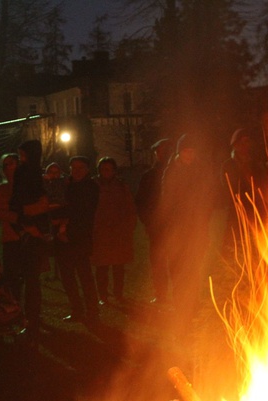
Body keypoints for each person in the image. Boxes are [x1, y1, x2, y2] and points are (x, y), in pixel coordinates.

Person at [159, 133, 218, 330]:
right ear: (180, 152)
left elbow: (207, 195)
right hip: (177, 231)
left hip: (196, 230)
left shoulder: (200, 171)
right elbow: (168, 200)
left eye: (192, 151)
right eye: (186, 151)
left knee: (193, 271)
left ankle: (191, 306)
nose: (189, 155)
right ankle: (180, 307)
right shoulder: (172, 172)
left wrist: (202, 217)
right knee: (177, 271)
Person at [10, 139, 51, 340]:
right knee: (29, 279)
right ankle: (29, 318)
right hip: (28, 229)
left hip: (32, 231)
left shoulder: (31, 173)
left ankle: (32, 319)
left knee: (31, 279)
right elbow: (18, 203)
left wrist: (33, 225)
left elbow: (39, 201)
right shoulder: (26, 172)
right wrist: (27, 224)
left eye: (23, 155)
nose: (21, 159)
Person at [54, 156, 100, 325]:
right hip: (65, 238)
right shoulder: (68, 186)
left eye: (80, 167)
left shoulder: (89, 187)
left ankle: (92, 310)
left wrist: (66, 225)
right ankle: (77, 310)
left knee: (84, 276)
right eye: (74, 168)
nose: (76, 171)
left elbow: (83, 212)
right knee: (68, 277)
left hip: (80, 238)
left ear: (87, 169)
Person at [91, 157, 137, 305]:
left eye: (108, 169)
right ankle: (103, 295)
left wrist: (128, 227)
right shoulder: (93, 185)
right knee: (102, 268)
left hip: (118, 232)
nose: (105, 172)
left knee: (118, 266)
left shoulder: (121, 186)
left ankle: (118, 294)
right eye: (103, 169)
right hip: (100, 232)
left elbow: (129, 207)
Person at [135, 138, 172, 303]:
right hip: (157, 228)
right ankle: (161, 294)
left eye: (166, 150)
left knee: (178, 262)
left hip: (177, 227)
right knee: (158, 263)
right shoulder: (149, 176)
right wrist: (148, 222)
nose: (163, 154)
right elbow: (140, 202)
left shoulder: (178, 173)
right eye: (160, 151)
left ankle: (179, 294)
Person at [0, 153, 22, 302]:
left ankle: (31, 314)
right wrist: (18, 217)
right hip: (10, 236)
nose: (8, 168)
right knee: (12, 277)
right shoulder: (1, 189)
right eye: (5, 165)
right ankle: (15, 308)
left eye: (11, 164)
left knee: (28, 277)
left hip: (26, 236)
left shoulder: (26, 186)